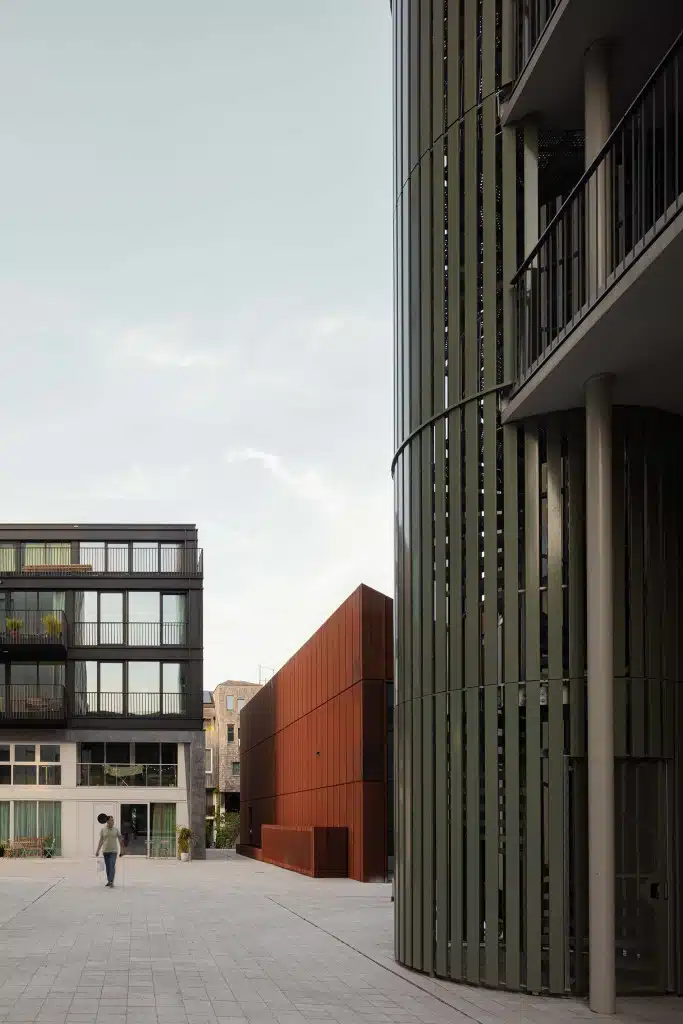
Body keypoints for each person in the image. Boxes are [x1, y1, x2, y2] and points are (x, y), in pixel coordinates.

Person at [95, 815, 124, 887]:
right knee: (108, 867)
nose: (113, 821)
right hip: (105, 851)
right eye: (111, 820)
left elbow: (120, 840)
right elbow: (101, 841)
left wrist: (122, 850)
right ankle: (109, 881)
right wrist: (97, 850)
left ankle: (111, 881)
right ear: (107, 821)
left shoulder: (116, 830)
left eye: (113, 820)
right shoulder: (103, 830)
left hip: (114, 851)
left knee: (112, 865)